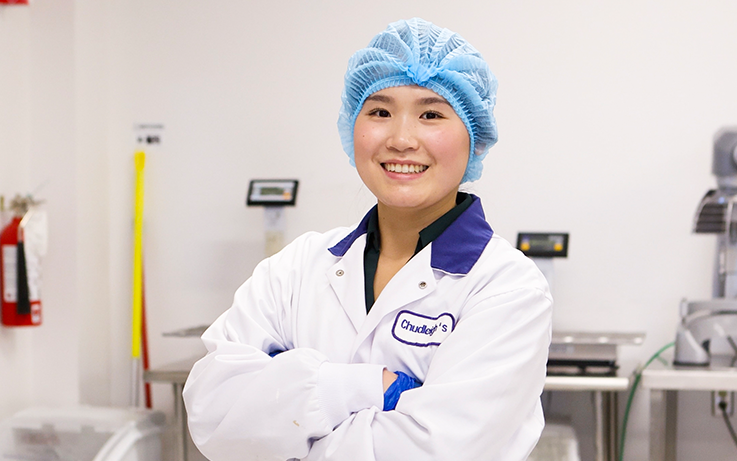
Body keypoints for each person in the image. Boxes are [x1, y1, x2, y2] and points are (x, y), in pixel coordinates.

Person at [183, 18, 552, 460]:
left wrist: (283, 406)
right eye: (379, 112)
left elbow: (438, 452)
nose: (400, 139)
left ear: (474, 139)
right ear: (351, 124)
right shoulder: (299, 266)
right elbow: (211, 411)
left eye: (431, 114)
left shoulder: (506, 287)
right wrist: (357, 387)